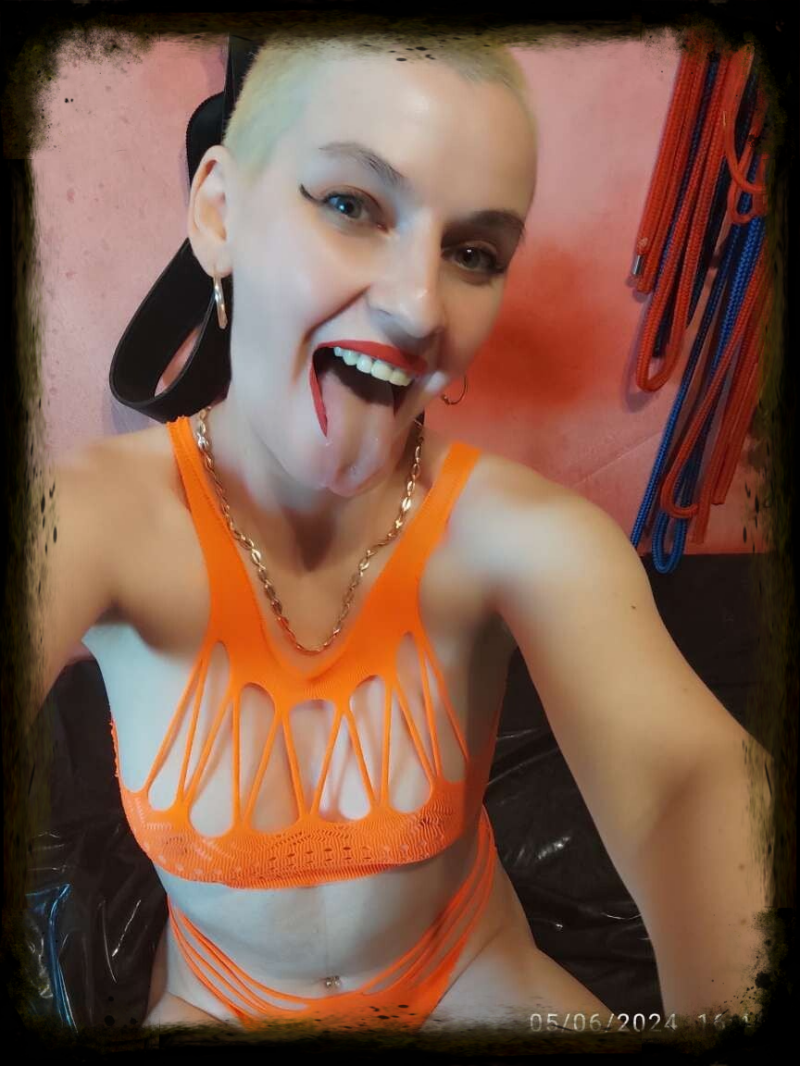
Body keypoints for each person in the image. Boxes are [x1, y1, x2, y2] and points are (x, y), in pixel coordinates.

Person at [36, 32, 771, 1035]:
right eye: (351, 204)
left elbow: (684, 780)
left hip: (470, 967)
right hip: (219, 999)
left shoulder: (519, 534)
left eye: (473, 254)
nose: (421, 307)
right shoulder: (96, 520)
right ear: (218, 211)